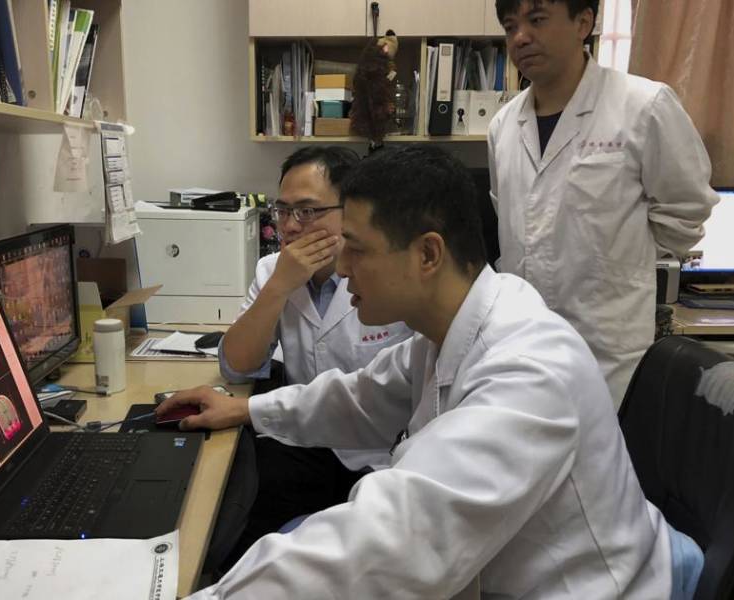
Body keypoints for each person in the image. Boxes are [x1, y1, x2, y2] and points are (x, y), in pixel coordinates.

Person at [159, 146, 674, 599]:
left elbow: (395, 539)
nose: (341, 269)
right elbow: (359, 397)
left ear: (428, 254)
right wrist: (247, 408)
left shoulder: (527, 370)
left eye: (357, 250)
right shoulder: (448, 330)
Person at [488, 0, 718, 407]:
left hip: (610, 356)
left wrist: (621, 266)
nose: (520, 37)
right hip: (523, 352)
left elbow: (687, 210)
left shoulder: (643, 107)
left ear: (584, 22)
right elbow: (510, 223)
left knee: (607, 462)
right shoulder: (503, 127)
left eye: (537, 19)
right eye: (510, 26)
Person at [216, 146, 413, 563]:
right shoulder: (274, 271)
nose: (289, 227)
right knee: (234, 531)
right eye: (282, 211)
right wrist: (278, 287)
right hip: (302, 443)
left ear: (352, 210)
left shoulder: (387, 273)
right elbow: (237, 366)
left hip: (380, 456)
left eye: (307, 211)